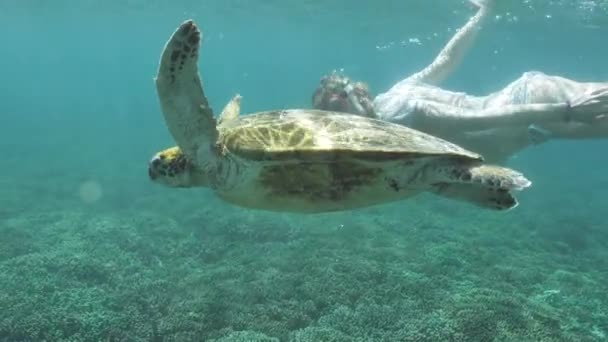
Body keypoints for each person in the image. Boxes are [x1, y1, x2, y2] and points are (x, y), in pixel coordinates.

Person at [311, 0, 608, 163]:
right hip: (532, 120)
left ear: (355, 101)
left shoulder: (398, 114)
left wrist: (567, 109)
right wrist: (483, 13)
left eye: (340, 111)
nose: (344, 123)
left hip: (534, 104)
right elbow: (446, 61)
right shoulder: (395, 96)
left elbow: (481, 118)